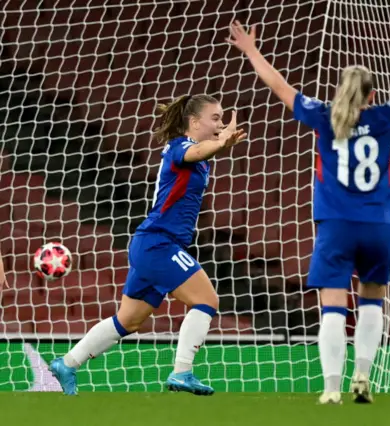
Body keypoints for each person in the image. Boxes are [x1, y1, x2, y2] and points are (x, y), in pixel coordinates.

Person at [228, 19, 390, 404]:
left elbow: (279, 86)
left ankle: (332, 388)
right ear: (371, 94)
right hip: (377, 226)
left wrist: (251, 51)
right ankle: (363, 374)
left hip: (336, 227)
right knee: (372, 301)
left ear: (340, 91)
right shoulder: (383, 117)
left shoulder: (322, 116)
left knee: (332, 306)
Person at [48, 95, 246, 396]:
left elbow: (202, 153)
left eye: (221, 118)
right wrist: (221, 144)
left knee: (129, 320)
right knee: (207, 301)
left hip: (151, 244)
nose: (220, 124)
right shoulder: (181, 148)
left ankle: (67, 363)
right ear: (194, 122)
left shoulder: (196, 155)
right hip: (159, 244)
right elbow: (197, 151)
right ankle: (182, 372)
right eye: (215, 118)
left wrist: (218, 145)